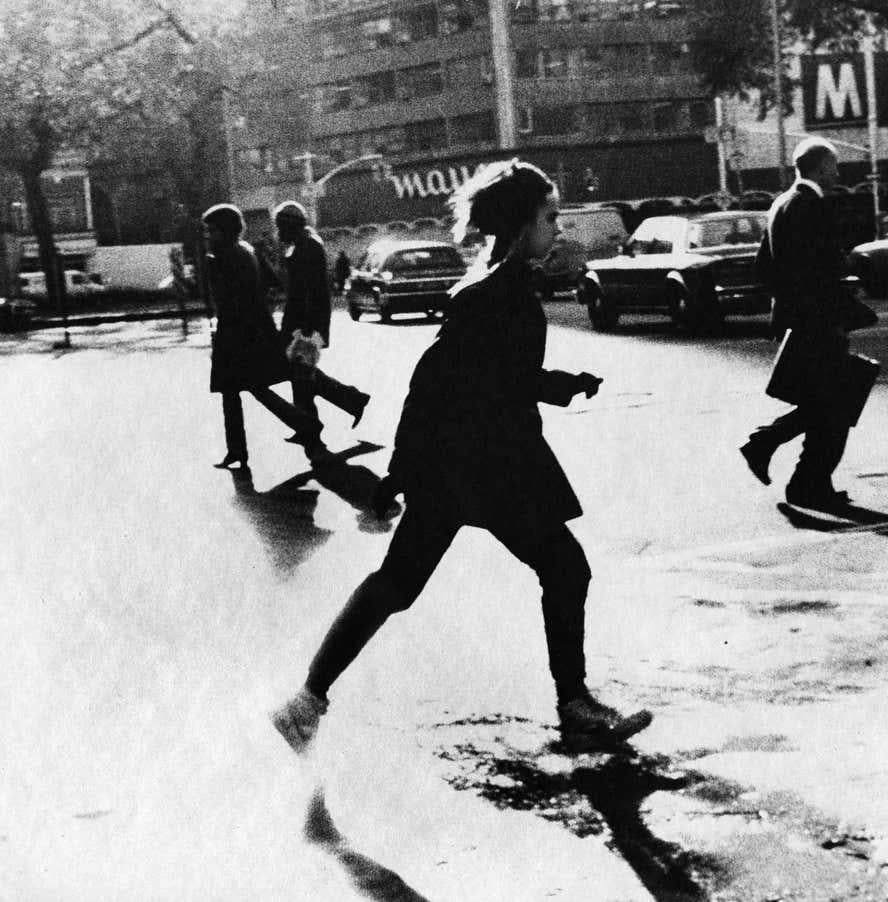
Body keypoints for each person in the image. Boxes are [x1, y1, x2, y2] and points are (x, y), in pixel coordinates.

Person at [271, 161, 653, 753]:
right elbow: (436, 383)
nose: (558, 229)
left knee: (400, 584)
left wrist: (558, 384)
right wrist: (398, 474)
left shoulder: (497, 284)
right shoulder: (493, 292)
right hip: (488, 465)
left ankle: (305, 702)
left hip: (464, 466)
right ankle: (574, 705)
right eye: (549, 218)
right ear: (521, 224)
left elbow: (497, 375)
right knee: (562, 568)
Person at [740, 138, 853, 509]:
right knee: (833, 406)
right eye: (834, 166)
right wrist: (834, 314)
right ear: (821, 168)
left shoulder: (780, 205)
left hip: (795, 321)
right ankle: (769, 447)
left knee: (825, 404)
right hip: (818, 324)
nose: (837, 173)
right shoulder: (813, 207)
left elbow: (764, 268)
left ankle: (809, 483)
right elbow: (821, 272)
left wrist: (786, 306)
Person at [202, 204, 324, 469]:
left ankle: (243, 448)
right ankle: (241, 448)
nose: (209, 236)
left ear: (224, 231)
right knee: (247, 390)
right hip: (255, 329)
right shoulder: (248, 250)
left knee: (239, 392)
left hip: (235, 335)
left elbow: (226, 301)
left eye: (212, 230)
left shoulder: (222, 257)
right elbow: (272, 283)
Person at [272, 201, 371, 459]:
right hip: (302, 323)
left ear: (291, 224)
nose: (278, 231)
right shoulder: (301, 244)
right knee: (302, 375)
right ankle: (349, 402)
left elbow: (309, 292)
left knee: (302, 376)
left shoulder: (307, 246)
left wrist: (305, 329)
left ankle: (311, 429)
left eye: (280, 225)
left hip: (305, 325)